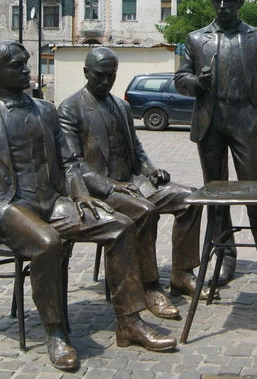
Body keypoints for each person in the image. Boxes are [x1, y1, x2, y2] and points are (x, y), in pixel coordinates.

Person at [0, 41, 175, 372]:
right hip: (2, 209)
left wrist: (80, 195)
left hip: (49, 202)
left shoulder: (44, 110)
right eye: (17, 65)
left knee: (121, 226)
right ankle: (56, 331)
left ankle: (129, 322)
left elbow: (68, 161)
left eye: (26, 63)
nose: (26, 69)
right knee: (48, 241)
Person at [58, 47, 205, 321]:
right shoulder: (71, 108)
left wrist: (151, 170)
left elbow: (136, 149)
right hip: (100, 190)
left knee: (190, 198)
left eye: (111, 76)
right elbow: (74, 164)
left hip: (134, 182)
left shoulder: (121, 106)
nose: (105, 81)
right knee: (144, 211)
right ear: (86, 73)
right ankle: (149, 287)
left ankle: (182, 273)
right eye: (100, 76)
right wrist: (111, 185)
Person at [173, 0, 257, 289]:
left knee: (255, 191)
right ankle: (224, 256)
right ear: (212, 3)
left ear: (239, 3)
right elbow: (180, 79)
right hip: (210, 119)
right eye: (217, 0)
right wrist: (196, 83)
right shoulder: (197, 39)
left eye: (229, 0)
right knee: (216, 194)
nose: (223, 6)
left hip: (244, 117)